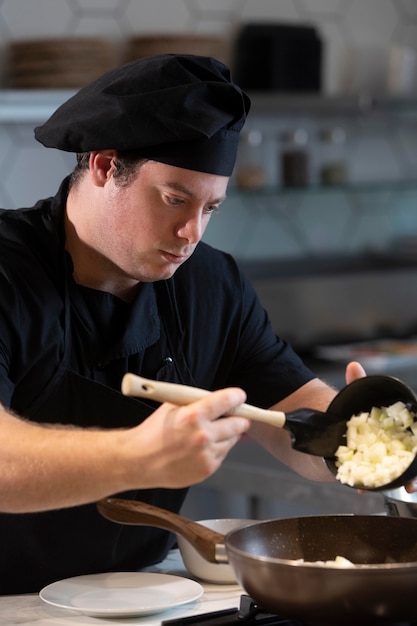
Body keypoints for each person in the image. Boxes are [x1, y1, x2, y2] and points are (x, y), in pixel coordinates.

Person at [0, 53, 365, 594]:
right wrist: (140, 455)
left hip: (145, 595)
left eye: (211, 209)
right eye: (175, 199)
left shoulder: (211, 284)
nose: (191, 233)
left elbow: (292, 417)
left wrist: (357, 437)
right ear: (104, 165)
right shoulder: (8, 272)